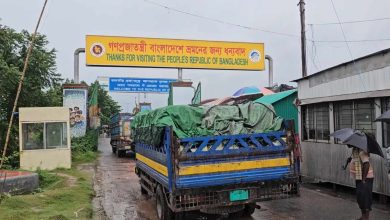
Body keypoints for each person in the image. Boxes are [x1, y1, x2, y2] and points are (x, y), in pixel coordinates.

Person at [349, 146, 374, 220]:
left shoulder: (362, 151)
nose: (346, 144)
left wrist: (363, 180)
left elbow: (366, 164)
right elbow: (359, 162)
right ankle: (363, 217)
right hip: (359, 178)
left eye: (348, 143)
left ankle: (366, 218)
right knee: (361, 199)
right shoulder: (356, 150)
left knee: (365, 200)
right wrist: (351, 160)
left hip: (365, 179)